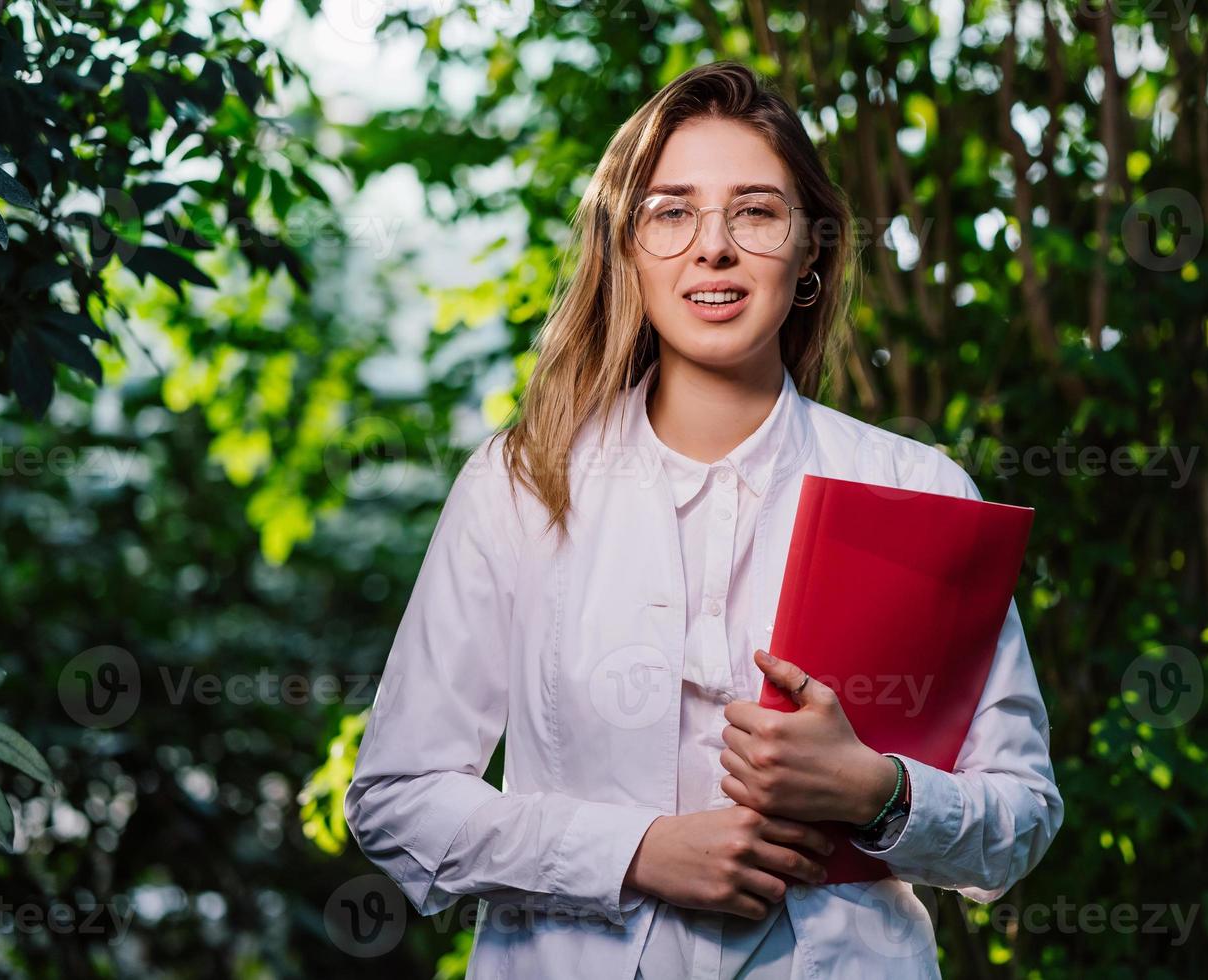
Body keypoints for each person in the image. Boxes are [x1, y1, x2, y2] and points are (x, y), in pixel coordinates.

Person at [344, 60, 1063, 979]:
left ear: (809, 249)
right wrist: (636, 852)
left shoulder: (917, 488)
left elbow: (1020, 823)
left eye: (756, 211)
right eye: (671, 211)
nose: (712, 247)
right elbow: (397, 800)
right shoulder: (521, 483)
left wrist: (876, 792)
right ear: (626, 247)